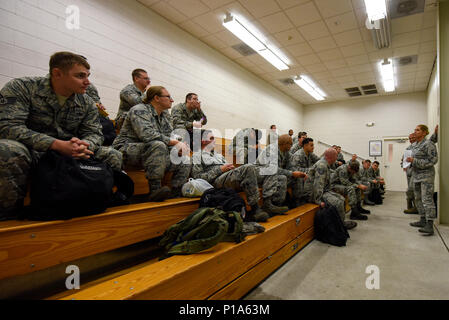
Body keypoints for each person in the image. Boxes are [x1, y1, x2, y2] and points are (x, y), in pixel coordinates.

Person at [0, 51, 123, 219]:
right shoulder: (23, 87)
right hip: (34, 150)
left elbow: (94, 132)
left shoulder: (86, 101)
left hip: (71, 152)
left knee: (112, 154)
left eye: (88, 76)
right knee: (7, 150)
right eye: (80, 76)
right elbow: (8, 127)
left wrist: (84, 145)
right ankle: (9, 217)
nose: (87, 82)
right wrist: (56, 144)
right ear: (57, 73)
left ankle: (99, 204)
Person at [112, 86, 191, 202]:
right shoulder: (139, 110)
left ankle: (175, 194)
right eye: (168, 97)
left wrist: (179, 146)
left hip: (150, 153)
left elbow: (169, 135)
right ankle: (155, 191)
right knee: (158, 146)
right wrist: (175, 143)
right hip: (125, 150)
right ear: (157, 98)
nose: (172, 100)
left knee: (184, 159)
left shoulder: (164, 115)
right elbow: (147, 135)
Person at [193, 130, 288, 221]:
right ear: (203, 140)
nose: (214, 140)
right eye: (212, 138)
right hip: (217, 182)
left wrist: (231, 168)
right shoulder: (197, 156)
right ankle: (255, 208)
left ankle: (268, 203)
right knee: (248, 167)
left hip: (228, 177)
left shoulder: (218, 156)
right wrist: (220, 169)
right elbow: (198, 178)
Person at [304, 148, 357, 230]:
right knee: (338, 203)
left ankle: (340, 222)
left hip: (323, 190)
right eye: (336, 156)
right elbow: (318, 185)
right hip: (312, 194)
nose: (336, 158)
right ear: (331, 157)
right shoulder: (322, 165)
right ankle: (340, 225)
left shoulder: (326, 164)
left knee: (342, 199)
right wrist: (318, 201)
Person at [257, 134, 307, 207]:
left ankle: (297, 201)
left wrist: (299, 173)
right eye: (290, 144)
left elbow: (291, 166)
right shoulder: (272, 149)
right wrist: (292, 173)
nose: (291, 146)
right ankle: (276, 205)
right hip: (263, 175)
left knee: (297, 178)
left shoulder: (286, 152)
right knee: (283, 178)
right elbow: (273, 169)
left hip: (274, 175)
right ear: (285, 144)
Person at [408, 124, 438, 235]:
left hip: (426, 176)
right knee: (418, 199)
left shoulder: (428, 144)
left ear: (424, 132)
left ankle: (430, 225)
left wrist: (414, 161)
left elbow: (433, 160)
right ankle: (422, 219)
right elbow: (412, 158)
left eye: (418, 130)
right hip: (416, 176)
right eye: (414, 129)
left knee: (427, 199)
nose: (415, 131)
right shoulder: (415, 145)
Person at [290, 137, 320, 204]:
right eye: (311, 145)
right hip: (296, 176)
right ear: (305, 146)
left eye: (313, 145)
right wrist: (311, 170)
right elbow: (295, 169)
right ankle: (298, 202)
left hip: (305, 175)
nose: (313, 147)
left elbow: (319, 160)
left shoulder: (310, 153)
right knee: (301, 178)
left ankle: (310, 197)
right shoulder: (298, 155)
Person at [403, 133, 418, 214]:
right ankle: (410, 206)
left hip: (416, 171)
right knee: (410, 189)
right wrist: (403, 164)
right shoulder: (409, 147)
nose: (411, 139)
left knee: (411, 189)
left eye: (412, 138)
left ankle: (415, 207)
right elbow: (405, 158)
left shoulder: (419, 146)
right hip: (409, 171)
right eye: (409, 138)